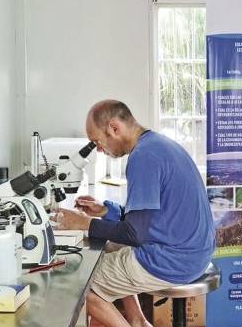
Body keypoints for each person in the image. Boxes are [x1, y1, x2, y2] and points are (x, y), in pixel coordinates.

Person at [52, 100, 215, 327]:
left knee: (79, 284)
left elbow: (134, 234)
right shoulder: (157, 144)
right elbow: (150, 219)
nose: (99, 149)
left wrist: (83, 223)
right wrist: (106, 211)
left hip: (175, 260)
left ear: (114, 128)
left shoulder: (143, 157)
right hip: (195, 251)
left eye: (97, 142)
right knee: (109, 249)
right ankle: (138, 320)